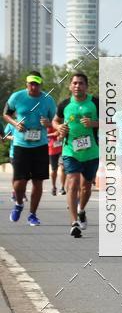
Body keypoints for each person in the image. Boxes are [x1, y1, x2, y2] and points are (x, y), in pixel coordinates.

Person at [3, 72, 56, 225]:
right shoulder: (17, 97)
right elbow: (6, 114)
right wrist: (15, 124)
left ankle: (32, 214)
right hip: (21, 145)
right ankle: (19, 204)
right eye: (31, 83)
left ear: (41, 84)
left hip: (40, 145)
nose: (34, 87)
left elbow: (54, 120)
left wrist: (47, 123)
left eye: (37, 84)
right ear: (26, 84)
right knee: (20, 183)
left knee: (38, 182)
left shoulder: (48, 100)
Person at [54, 73, 100, 238]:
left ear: (86, 86)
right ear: (70, 86)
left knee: (86, 186)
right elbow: (55, 121)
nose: (77, 86)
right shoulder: (64, 104)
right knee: (72, 184)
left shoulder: (96, 102)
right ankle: (74, 223)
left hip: (92, 152)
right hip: (70, 151)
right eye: (74, 83)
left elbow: (112, 122)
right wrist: (59, 128)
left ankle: (81, 210)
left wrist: (94, 123)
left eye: (81, 83)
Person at [47, 128, 64, 195]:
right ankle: (53, 187)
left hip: (62, 150)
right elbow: (43, 134)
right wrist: (53, 134)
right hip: (52, 150)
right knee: (54, 170)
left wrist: (61, 135)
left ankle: (62, 188)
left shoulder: (64, 122)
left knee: (63, 168)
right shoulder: (49, 123)